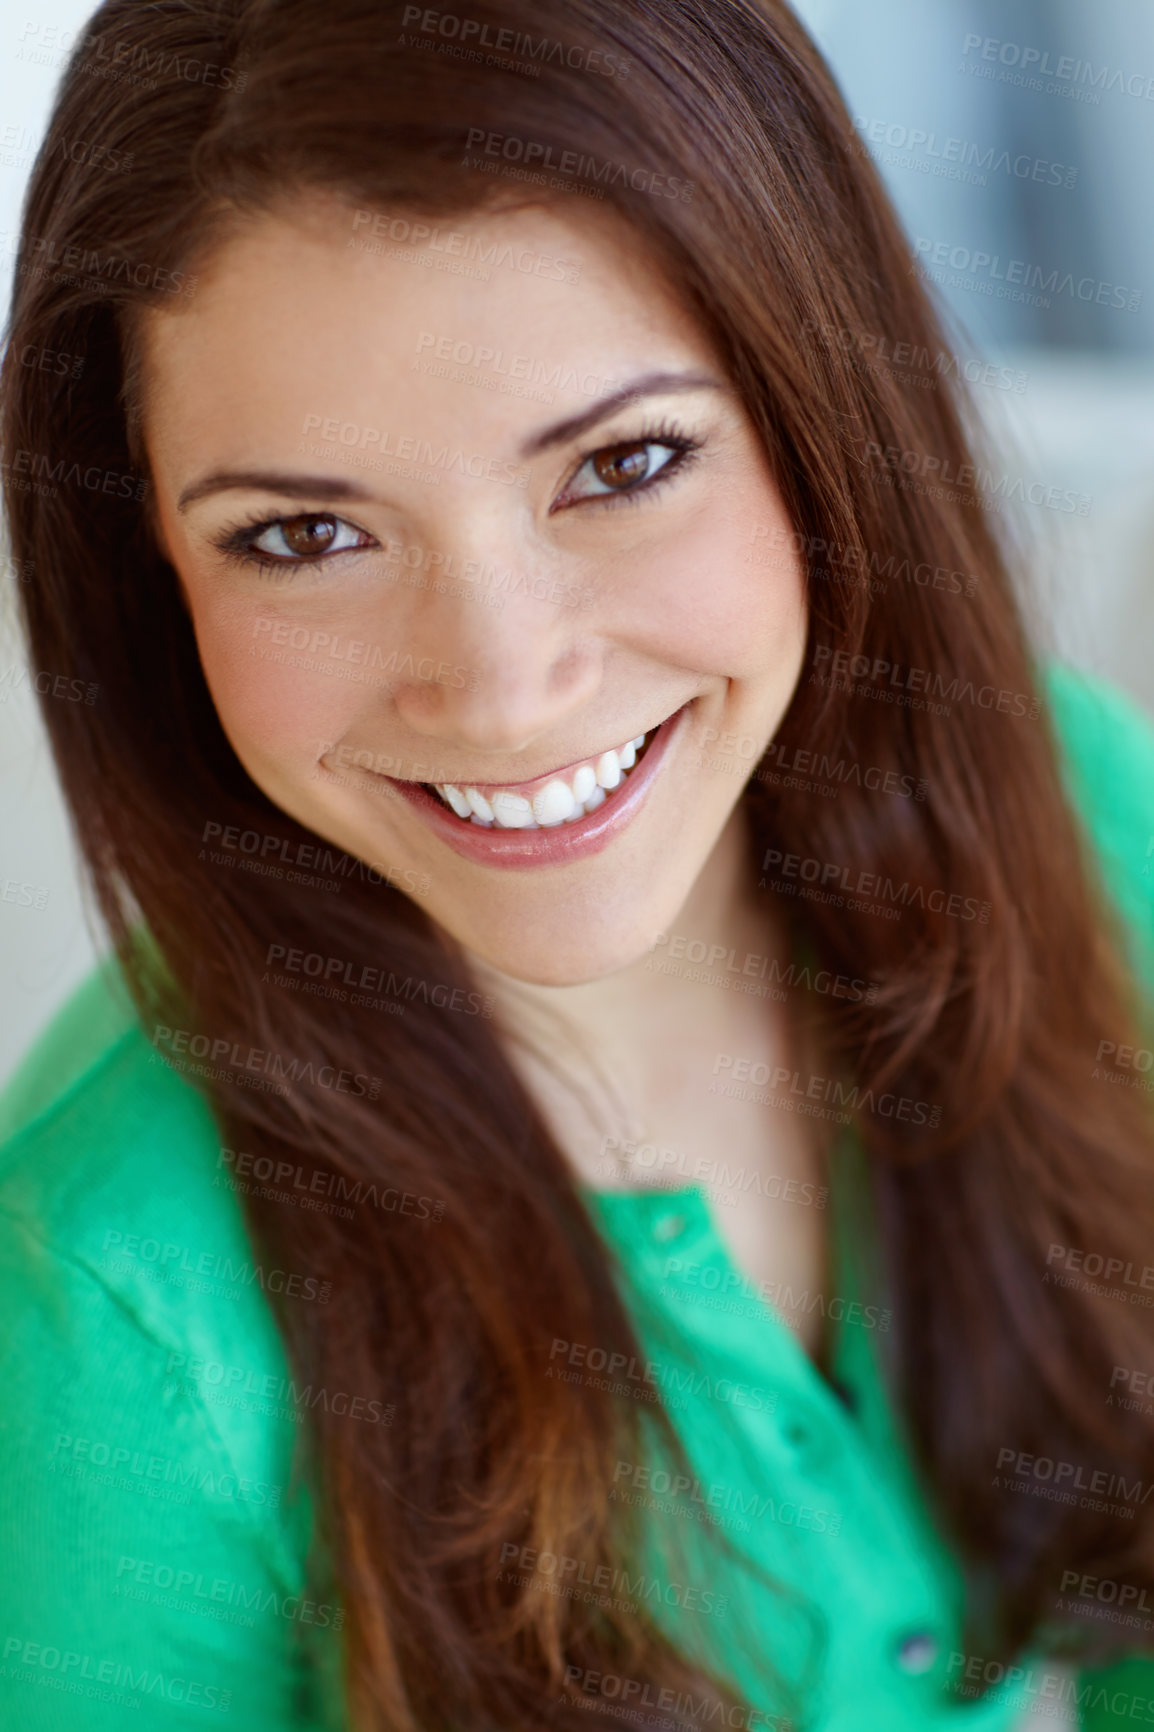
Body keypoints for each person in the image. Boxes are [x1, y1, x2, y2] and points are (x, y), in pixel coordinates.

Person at [1, 0, 1152, 1726]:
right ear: (148, 566)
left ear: (818, 424)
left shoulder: (1070, 801)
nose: (501, 686)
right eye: (303, 536)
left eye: (623, 465)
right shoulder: (103, 1320)